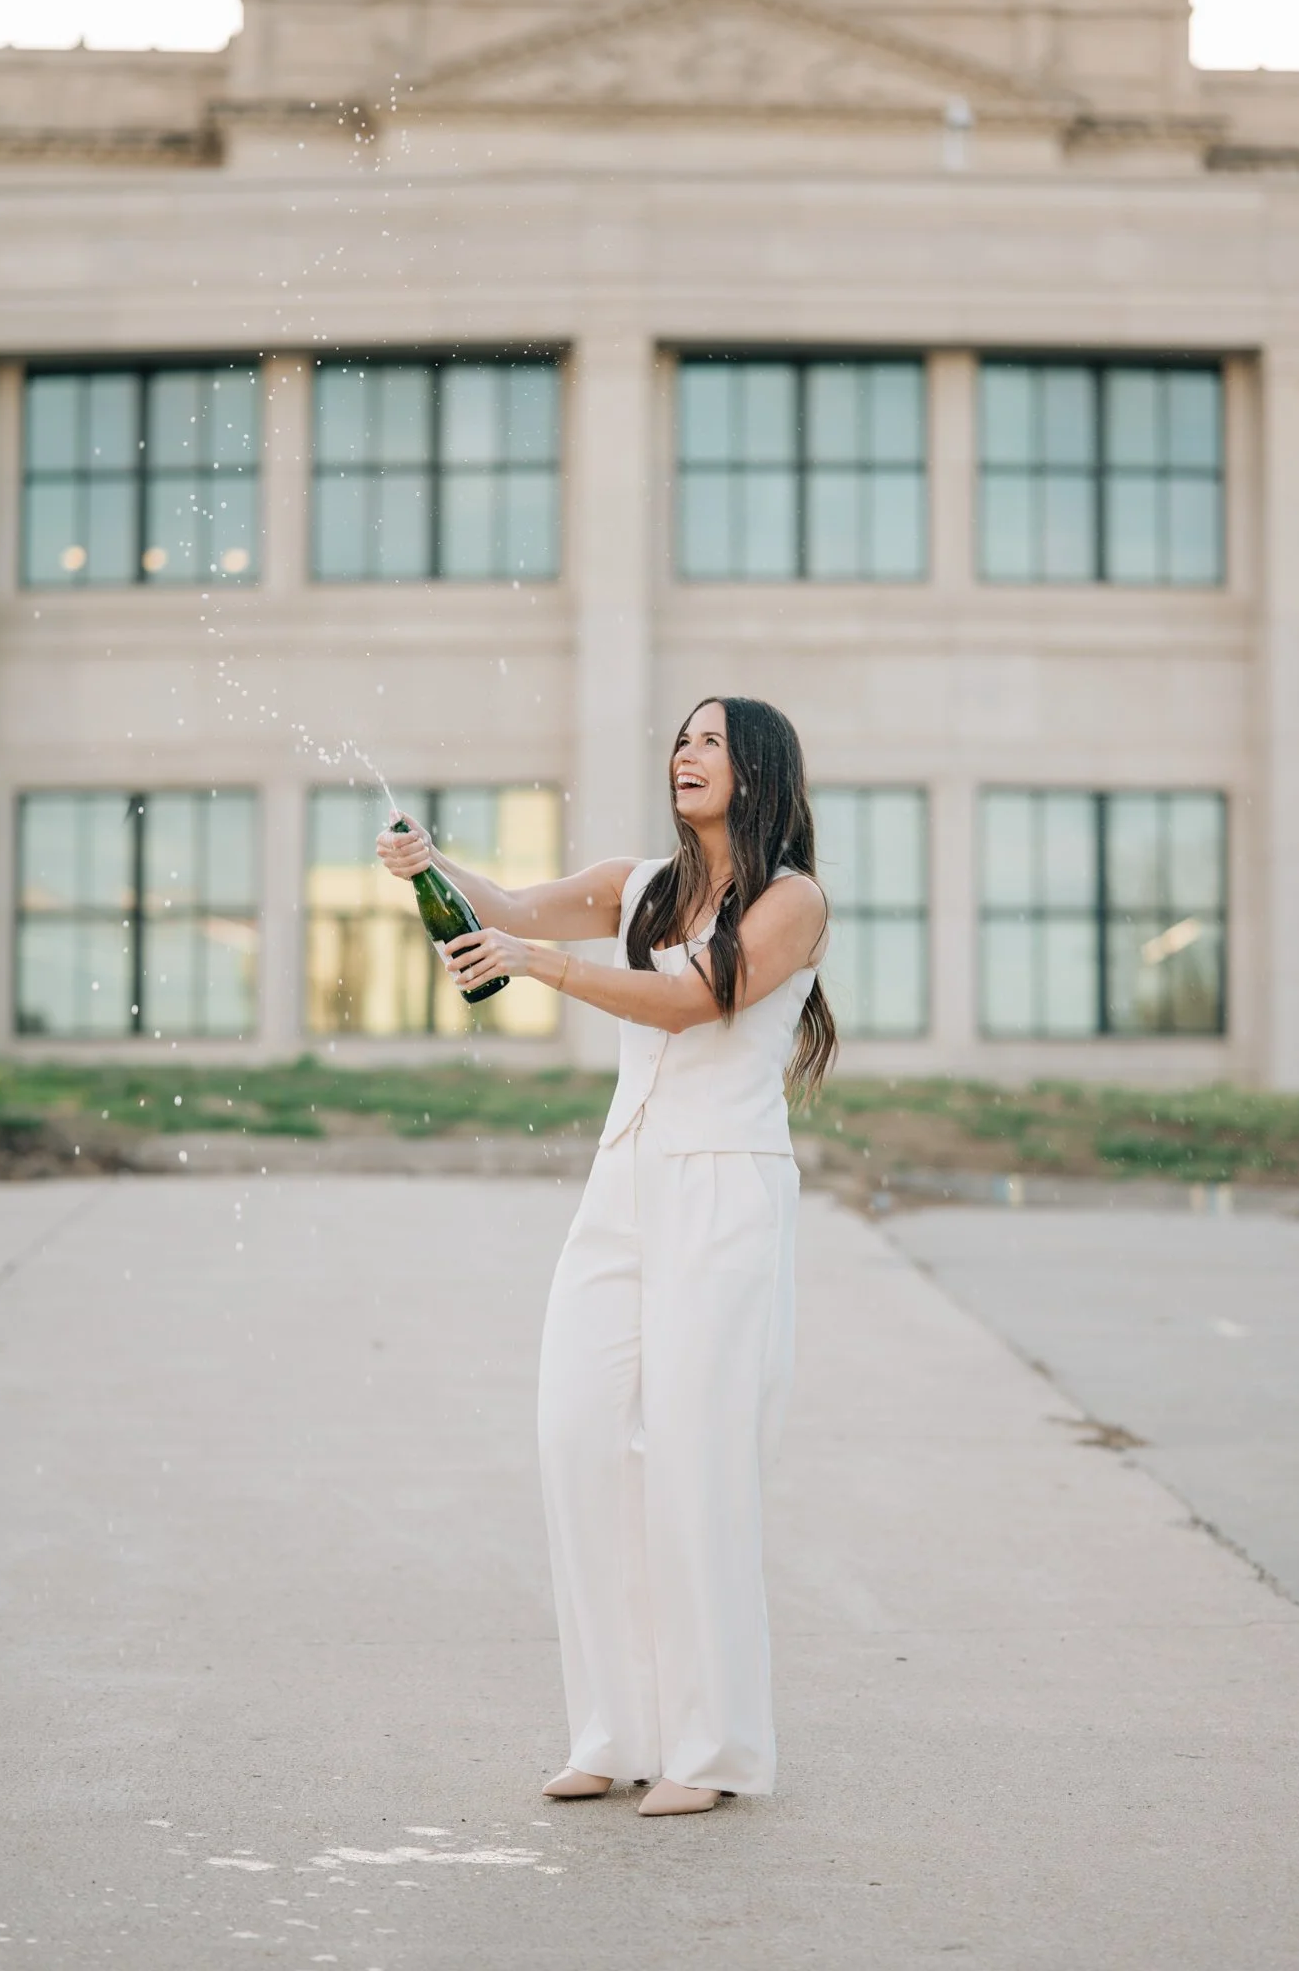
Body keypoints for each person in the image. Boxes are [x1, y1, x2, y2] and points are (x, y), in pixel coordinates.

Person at [375, 696, 836, 1817]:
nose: (687, 752)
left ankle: (714, 1748)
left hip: (724, 1186)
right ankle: (616, 1730)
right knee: (578, 1433)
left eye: (713, 740)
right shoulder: (638, 884)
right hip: (624, 1179)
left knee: (696, 1458)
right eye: (681, 737)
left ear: (761, 768)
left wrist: (539, 964)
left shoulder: (793, 902)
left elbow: (691, 1002)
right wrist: (430, 864)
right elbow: (516, 903)